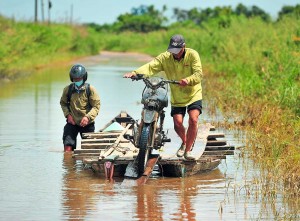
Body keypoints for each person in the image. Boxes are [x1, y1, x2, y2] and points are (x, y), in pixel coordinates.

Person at [123, 34, 203, 160]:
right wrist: (135, 73)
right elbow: (151, 66)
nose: (175, 54)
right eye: (173, 51)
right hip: (177, 95)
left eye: (178, 51)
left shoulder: (193, 55)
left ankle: (188, 151)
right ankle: (185, 141)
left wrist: (188, 80)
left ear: (184, 47)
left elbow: (198, 74)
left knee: (193, 119)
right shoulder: (165, 57)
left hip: (193, 92)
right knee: (177, 123)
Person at [60, 64, 100, 152]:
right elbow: (63, 103)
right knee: (67, 148)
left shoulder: (91, 89)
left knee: (88, 150)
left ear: (84, 77)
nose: (77, 80)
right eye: (75, 79)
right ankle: (68, 164)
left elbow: (96, 106)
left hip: (87, 123)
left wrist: (87, 117)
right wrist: (68, 115)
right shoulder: (68, 89)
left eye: (79, 78)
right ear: (72, 78)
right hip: (72, 123)